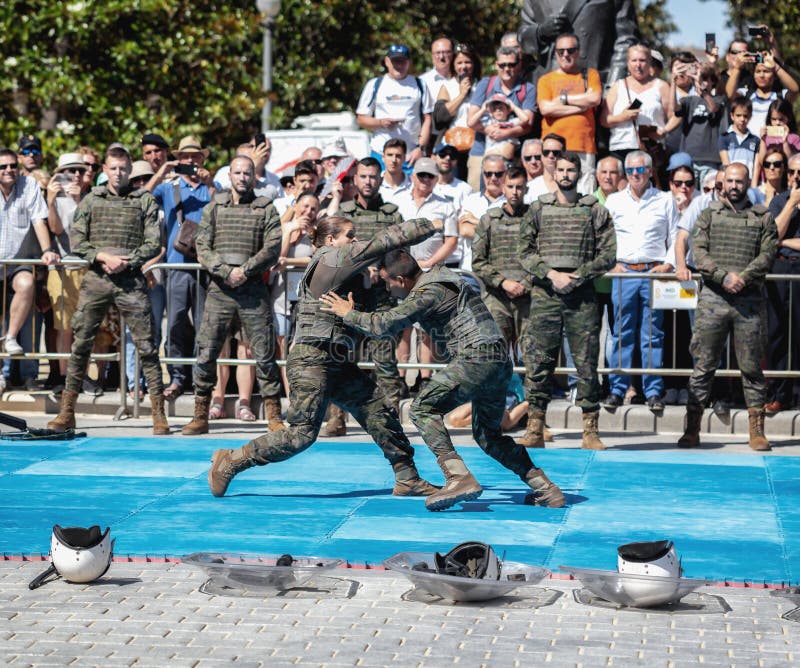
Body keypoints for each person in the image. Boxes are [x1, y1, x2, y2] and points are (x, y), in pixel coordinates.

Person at [206, 216, 443, 498]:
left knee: (379, 411)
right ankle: (231, 460)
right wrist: (430, 224)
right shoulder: (328, 259)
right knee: (301, 435)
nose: (354, 241)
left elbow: (371, 320)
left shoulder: (347, 273)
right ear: (331, 240)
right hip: (312, 359)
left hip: (338, 362)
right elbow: (384, 241)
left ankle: (407, 477)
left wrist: (374, 284)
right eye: (349, 235)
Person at [319, 250, 566, 512]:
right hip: (498, 360)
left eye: (388, 283)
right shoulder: (442, 277)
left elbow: (384, 325)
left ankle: (458, 477)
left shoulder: (428, 292)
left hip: (476, 358)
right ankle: (545, 488)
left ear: (401, 280)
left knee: (422, 408)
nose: (388, 291)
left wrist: (348, 313)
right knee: (489, 436)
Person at [47, 146, 169, 435]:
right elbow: (77, 240)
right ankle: (67, 412)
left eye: (123, 169)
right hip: (97, 279)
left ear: (129, 169)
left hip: (130, 279)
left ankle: (158, 413)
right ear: (105, 169)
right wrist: (103, 257)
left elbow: (154, 243)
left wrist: (128, 261)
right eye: (113, 168)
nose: (118, 174)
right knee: (81, 344)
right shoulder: (91, 201)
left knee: (147, 346)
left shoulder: (144, 201)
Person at [518, 152, 616, 450]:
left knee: (586, 363)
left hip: (582, 296)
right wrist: (550, 274)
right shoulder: (537, 209)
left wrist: (577, 276)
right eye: (560, 169)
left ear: (579, 173)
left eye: (570, 170)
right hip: (545, 294)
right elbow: (524, 252)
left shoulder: (595, 211)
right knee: (539, 361)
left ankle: (590, 429)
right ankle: (534, 426)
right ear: (554, 172)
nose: (565, 175)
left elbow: (608, 255)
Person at [181, 156, 285, 435]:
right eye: (237, 172)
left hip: (253, 291)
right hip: (220, 290)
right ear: (230, 176)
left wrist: (245, 270)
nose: (242, 177)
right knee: (207, 352)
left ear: (254, 176)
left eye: (247, 173)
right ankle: (200, 414)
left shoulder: (266, 208)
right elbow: (202, 245)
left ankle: (274, 416)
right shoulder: (215, 206)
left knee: (263, 354)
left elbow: (273, 247)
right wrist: (226, 272)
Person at [677, 163, 777, 451]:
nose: (734, 186)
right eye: (729, 181)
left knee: (751, 368)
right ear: (722, 183)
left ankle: (757, 431)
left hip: (749, 301)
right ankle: (692, 428)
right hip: (713, 300)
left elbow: (767, 254)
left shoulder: (762, 217)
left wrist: (743, 278)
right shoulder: (709, 215)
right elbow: (700, 251)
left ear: (748, 183)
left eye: (739, 181)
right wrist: (724, 277)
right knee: (703, 366)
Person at [603, 151, 678, 412]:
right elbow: (604, 237)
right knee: (621, 334)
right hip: (624, 273)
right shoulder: (614, 201)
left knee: (653, 334)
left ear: (649, 171)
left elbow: (675, 233)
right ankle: (617, 389)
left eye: (641, 169)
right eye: (631, 170)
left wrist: (669, 263)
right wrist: (611, 263)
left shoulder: (665, 200)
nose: (636, 174)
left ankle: (654, 391)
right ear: (626, 173)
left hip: (653, 272)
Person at [146, 135, 218, 401]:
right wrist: (165, 170)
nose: (190, 161)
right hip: (176, 265)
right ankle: (177, 378)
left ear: (202, 158)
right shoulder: (168, 187)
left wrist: (210, 183)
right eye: (185, 157)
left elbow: (227, 206)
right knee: (175, 323)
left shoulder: (213, 188)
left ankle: (201, 379)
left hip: (205, 266)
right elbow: (142, 198)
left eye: (195, 156)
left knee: (204, 327)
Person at [337, 158, 408, 411]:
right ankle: (337, 419)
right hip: (350, 296)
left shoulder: (392, 213)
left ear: (380, 179)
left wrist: (383, 270)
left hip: (381, 297)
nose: (368, 181)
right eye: (363, 176)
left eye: (373, 177)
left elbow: (401, 252)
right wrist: (361, 268)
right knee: (341, 356)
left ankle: (391, 416)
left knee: (385, 359)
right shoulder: (344, 214)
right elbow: (335, 252)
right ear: (355, 180)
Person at [0, 148, 59, 369]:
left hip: (17, 263)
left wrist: (47, 250)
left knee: (27, 283)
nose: (9, 170)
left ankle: (11, 337)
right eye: (3, 166)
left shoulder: (30, 185)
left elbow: (38, 221)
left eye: (13, 166)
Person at [536, 33, 602, 194]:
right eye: (561, 51)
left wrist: (564, 99)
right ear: (555, 53)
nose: (566, 54)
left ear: (578, 52)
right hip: (554, 148)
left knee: (585, 192)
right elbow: (546, 109)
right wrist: (581, 106)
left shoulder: (590, 75)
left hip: (583, 145)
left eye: (570, 50)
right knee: (553, 191)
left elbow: (595, 98)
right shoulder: (545, 80)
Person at [519, 0, 640, 87]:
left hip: (593, 86)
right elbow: (523, 37)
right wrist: (540, 32)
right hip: (548, 87)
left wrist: (614, 86)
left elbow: (626, 40)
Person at [466, 46, 535, 190]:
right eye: (502, 65)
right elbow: (471, 119)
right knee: (477, 194)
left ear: (519, 65)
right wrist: (488, 129)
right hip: (481, 152)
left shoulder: (527, 88)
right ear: (496, 65)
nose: (507, 68)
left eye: (511, 64)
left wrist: (506, 132)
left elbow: (528, 124)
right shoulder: (485, 84)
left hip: (511, 156)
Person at [356, 44, 433, 170]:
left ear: (409, 62)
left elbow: (427, 119)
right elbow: (361, 119)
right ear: (387, 62)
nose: (399, 65)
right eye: (395, 61)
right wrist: (381, 123)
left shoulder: (420, 85)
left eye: (402, 61)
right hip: (381, 154)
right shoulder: (375, 85)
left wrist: (420, 148)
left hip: (410, 156)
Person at [764, 154, 800, 415]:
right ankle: (779, 394)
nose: (796, 178)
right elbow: (771, 235)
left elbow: (780, 239)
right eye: (792, 173)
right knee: (778, 333)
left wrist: (784, 242)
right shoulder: (779, 201)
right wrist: (791, 205)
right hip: (779, 270)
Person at [602, 44, 671, 169]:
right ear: (628, 63)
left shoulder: (661, 86)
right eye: (634, 60)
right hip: (621, 147)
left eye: (642, 60)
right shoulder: (618, 86)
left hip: (650, 148)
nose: (638, 65)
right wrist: (623, 116)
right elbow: (604, 120)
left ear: (649, 62)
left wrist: (664, 131)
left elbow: (674, 116)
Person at [718, 96, 760, 176]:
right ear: (732, 116)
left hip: (749, 180)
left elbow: (756, 166)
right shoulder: (724, 138)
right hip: (732, 179)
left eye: (745, 116)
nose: (742, 119)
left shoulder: (755, 140)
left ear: (750, 116)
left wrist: (753, 183)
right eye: (738, 115)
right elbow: (725, 163)